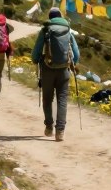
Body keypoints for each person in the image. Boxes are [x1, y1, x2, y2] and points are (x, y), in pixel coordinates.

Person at [30, 7, 80, 141]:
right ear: (60, 17)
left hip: (47, 68)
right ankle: (60, 131)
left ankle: (49, 126)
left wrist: (35, 60)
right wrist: (72, 63)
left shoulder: (46, 29)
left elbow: (36, 50)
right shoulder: (67, 30)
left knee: (47, 98)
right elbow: (76, 53)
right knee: (62, 100)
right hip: (64, 70)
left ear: (50, 17)